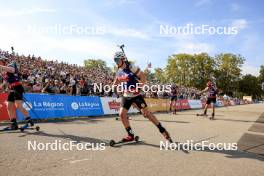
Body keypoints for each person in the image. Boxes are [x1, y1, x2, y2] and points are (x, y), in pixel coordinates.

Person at [112, 51, 172, 142]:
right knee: (122, 114)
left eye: (117, 60)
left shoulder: (131, 66)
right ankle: (130, 135)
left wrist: (138, 87)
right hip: (126, 95)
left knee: (146, 114)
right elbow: (116, 81)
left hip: (136, 95)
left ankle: (162, 130)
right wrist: (114, 87)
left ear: (122, 59)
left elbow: (143, 76)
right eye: (115, 60)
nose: (116, 62)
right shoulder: (119, 71)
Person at [0, 56, 34, 129]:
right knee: (9, 106)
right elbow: (5, 82)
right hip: (12, 89)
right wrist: (2, 86)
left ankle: (29, 120)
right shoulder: (2, 72)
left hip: (18, 87)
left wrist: (1, 66)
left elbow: (12, 70)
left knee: (18, 105)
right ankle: (13, 123)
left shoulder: (9, 66)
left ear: (3, 61)